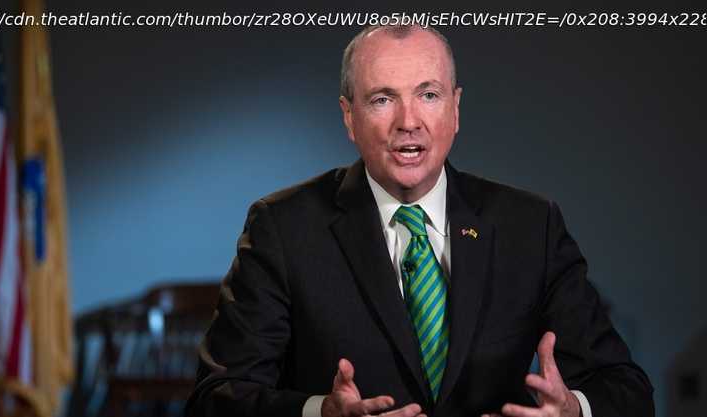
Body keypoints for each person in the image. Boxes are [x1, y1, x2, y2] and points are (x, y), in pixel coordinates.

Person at [184, 25, 654, 417]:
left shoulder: (531, 227)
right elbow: (215, 398)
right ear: (349, 117)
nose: (408, 121)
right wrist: (319, 412)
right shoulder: (282, 229)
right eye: (382, 99)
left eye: (428, 95)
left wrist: (573, 410)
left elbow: (626, 389)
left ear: (455, 109)